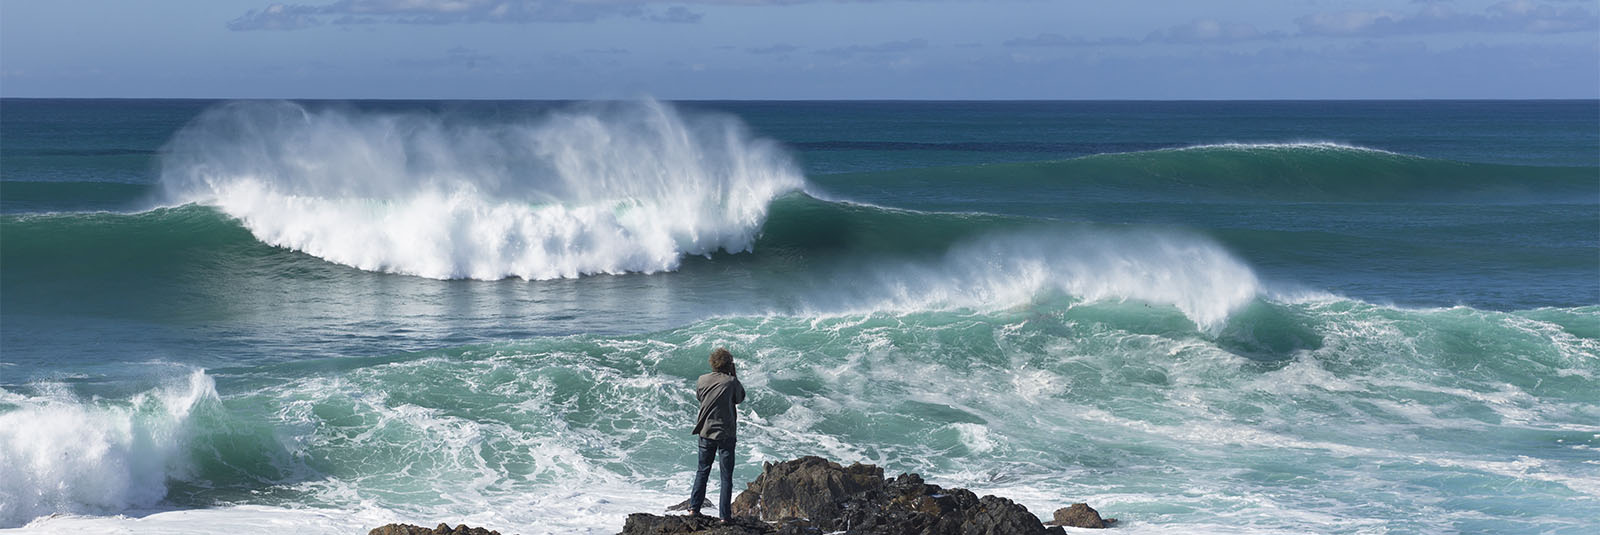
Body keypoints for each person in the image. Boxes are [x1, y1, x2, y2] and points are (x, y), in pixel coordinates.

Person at [686, 347, 745, 521]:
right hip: (726, 433)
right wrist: (734, 376)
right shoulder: (731, 382)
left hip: (705, 431)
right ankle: (724, 517)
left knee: (702, 471)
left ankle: (693, 509)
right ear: (728, 364)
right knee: (726, 477)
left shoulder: (702, 380)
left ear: (713, 363)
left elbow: (700, 397)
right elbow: (740, 398)